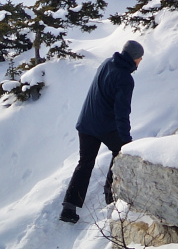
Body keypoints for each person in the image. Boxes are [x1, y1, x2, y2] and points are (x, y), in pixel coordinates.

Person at [60, 40, 144, 224]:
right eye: (139, 58)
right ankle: (111, 194)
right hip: (103, 126)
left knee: (85, 162)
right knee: (120, 152)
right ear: (134, 58)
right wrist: (126, 140)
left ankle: (69, 207)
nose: (140, 61)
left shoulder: (107, 62)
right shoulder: (125, 78)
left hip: (86, 122)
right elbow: (122, 112)